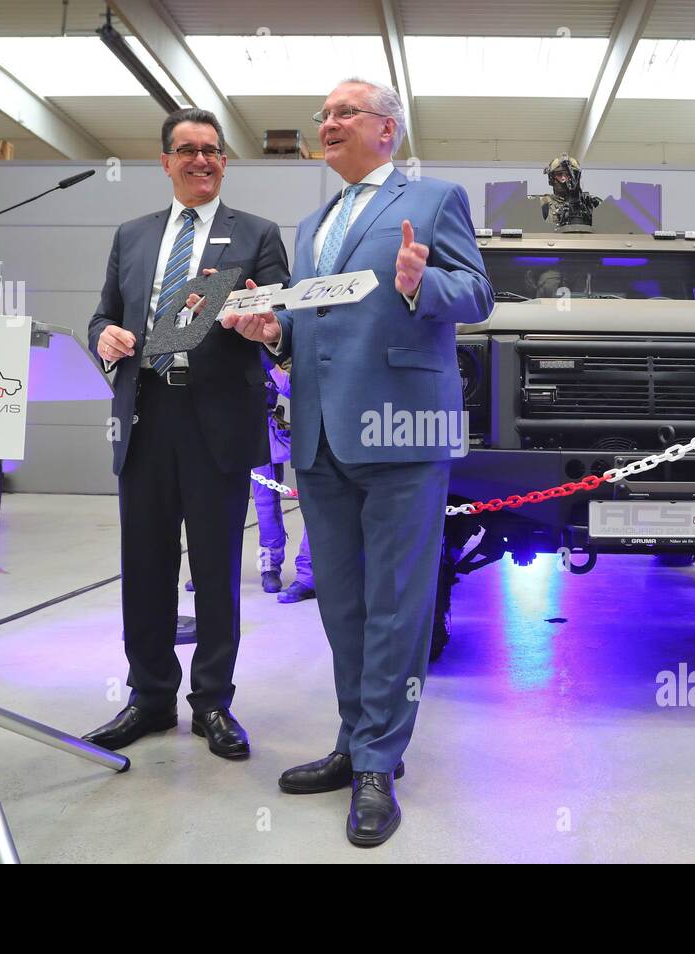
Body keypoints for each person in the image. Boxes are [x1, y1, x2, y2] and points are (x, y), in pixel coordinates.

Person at [223, 78, 492, 846]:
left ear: (387, 129)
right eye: (324, 115)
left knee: (397, 606)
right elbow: (313, 334)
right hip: (320, 436)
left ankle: (379, 759)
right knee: (341, 602)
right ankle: (355, 740)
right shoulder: (310, 227)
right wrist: (272, 333)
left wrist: (419, 282)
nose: (328, 123)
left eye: (344, 113)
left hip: (402, 432)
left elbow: (477, 293)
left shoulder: (434, 199)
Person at [83, 107, 289, 757]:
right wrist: (104, 340)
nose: (201, 159)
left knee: (216, 569)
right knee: (144, 566)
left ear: (224, 161)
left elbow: (282, 318)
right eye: (187, 149)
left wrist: (271, 330)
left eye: (212, 150)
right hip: (145, 418)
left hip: (217, 422)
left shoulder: (255, 234)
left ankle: (212, 703)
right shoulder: (133, 236)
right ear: (165, 161)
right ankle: (148, 698)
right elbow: (101, 318)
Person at [251, 355, 315, 603]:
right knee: (263, 504)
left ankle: (308, 574)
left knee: (315, 502)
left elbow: (295, 389)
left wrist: (271, 366)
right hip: (243, 427)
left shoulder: (288, 330)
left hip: (306, 427)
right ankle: (269, 565)